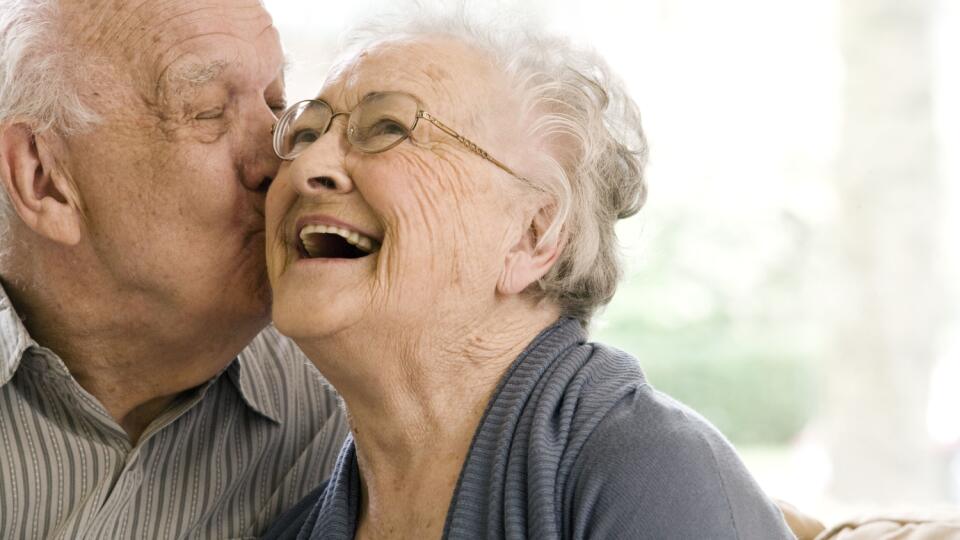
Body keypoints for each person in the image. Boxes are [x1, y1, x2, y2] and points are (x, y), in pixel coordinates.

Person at [261, 12, 795, 540]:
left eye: (389, 128)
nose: (308, 168)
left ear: (531, 237)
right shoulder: (297, 528)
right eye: (306, 133)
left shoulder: (646, 471)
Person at [0, 0, 347, 537]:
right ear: (42, 176)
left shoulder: (345, 410)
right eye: (209, 111)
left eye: (277, 103)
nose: (283, 165)